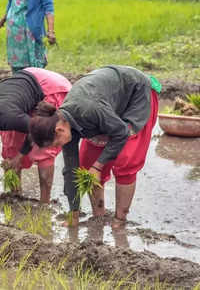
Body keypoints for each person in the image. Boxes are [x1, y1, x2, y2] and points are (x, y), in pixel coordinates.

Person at [28, 65, 162, 228]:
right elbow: (70, 172)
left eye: (55, 144)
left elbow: (120, 132)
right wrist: (73, 215)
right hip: (108, 106)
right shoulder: (64, 123)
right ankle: (99, 217)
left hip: (136, 94)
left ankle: (119, 220)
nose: (58, 148)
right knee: (86, 163)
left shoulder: (88, 109)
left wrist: (98, 167)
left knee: (125, 161)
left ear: (59, 130)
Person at [0, 68, 72, 202]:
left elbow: (35, 130)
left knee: (42, 149)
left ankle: (44, 204)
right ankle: (15, 198)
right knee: (10, 150)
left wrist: (20, 155)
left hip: (48, 87)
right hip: (22, 87)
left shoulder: (7, 117)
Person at [0, 0, 56, 73]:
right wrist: (1, 22)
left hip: (32, 29)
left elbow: (48, 6)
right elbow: (11, 2)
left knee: (36, 66)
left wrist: (51, 31)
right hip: (14, 29)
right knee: (17, 65)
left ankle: (33, 84)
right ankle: (18, 84)